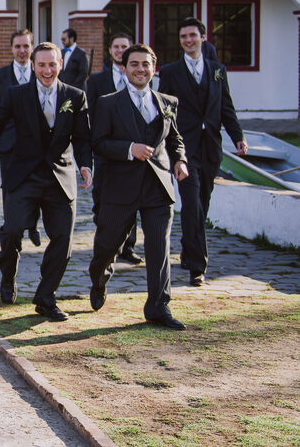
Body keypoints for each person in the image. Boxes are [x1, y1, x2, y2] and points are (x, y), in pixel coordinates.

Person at [0, 42, 92, 322]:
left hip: (60, 175)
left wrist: (85, 165)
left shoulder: (75, 96)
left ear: (60, 64)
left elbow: (83, 138)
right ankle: (8, 273)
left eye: (52, 64)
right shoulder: (16, 95)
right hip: (23, 174)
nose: (47, 70)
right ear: (33, 66)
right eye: (42, 65)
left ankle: (46, 297)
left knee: (63, 237)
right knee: (12, 230)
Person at [89, 44, 189, 330]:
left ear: (153, 68)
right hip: (120, 187)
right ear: (124, 68)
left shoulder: (168, 102)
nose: (140, 69)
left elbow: (175, 140)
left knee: (159, 248)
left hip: (158, 186)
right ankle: (99, 277)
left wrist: (180, 160)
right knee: (107, 245)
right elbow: (98, 143)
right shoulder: (108, 102)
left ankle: (158, 307)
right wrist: (129, 148)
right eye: (134, 64)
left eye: (146, 64)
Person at [156, 17, 246, 287]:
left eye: (192, 35)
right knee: (192, 202)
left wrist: (238, 136)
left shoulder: (218, 70)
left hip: (211, 147)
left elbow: (226, 107)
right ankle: (198, 266)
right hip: (183, 147)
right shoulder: (171, 72)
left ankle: (187, 247)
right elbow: (165, 112)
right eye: (183, 36)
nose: (188, 40)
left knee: (202, 203)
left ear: (203, 37)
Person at [87, 32, 143, 265]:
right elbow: (89, 112)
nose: (120, 50)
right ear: (110, 51)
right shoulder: (97, 81)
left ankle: (128, 246)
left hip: (131, 149)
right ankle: (106, 239)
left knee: (133, 198)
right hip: (105, 148)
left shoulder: (138, 78)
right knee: (101, 197)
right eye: (116, 47)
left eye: (124, 47)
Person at [0, 30, 41, 247]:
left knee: (36, 186)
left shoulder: (42, 73)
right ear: (11, 49)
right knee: (9, 188)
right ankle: (11, 231)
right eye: (17, 46)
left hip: (37, 143)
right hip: (9, 142)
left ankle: (32, 224)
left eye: (26, 46)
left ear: (32, 48)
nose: (22, 51)